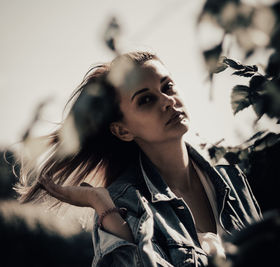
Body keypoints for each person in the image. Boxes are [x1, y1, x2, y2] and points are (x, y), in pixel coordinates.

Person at [15, 51, 262, 266]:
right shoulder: (128, 205)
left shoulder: (232, 178)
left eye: (167, 87)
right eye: (146, 99)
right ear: (123, 130)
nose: (167, 101)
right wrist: (102, 205)